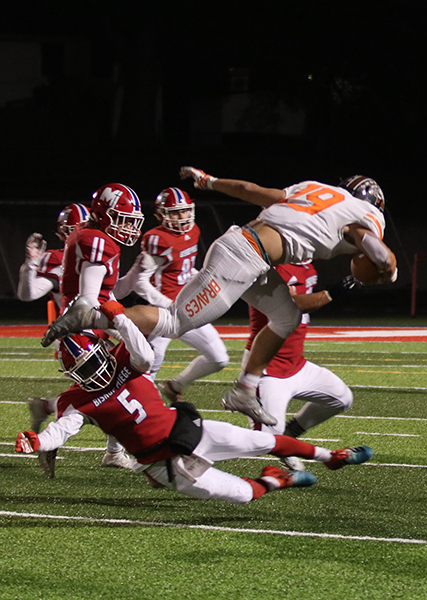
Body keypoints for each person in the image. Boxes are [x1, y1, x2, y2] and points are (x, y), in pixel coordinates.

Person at [44, 167, 397, 429]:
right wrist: (388, 269)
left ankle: (245, 389)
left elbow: (252, 190)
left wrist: (210, 182)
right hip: (242, 257)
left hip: (253, 256)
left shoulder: (317, 191)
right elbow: (373, 248)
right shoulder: (364, 217)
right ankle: (89, 316)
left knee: (286, 316)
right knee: (174, 322)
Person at [15, 299, 374, 504]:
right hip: (163, 464)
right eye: (84, 369)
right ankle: (276, 480)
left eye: (94, 360)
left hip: (187, 430)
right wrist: (38, 440)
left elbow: (142, 354)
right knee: (242, 496)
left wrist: (121, 319)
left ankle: (331, 457)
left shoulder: (126, 360)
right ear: (72, 377)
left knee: (264, 440)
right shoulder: (77, 400)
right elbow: (63, 430)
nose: (94, 371)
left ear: (104, 352)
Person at [53, 183, 145, 470]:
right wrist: (123, 324)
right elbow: (89, 301)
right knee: (113, 393)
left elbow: (106, 295)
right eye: (123, 218)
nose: (129, 227)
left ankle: (112, 452)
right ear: (104, 214)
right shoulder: (97, 241)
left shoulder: (97, 237)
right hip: (81, 335)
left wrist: (123, 326)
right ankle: (52, 435)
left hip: (86, 330)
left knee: (126, 382)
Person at [116, 187, 229, 402]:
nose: (182, 217)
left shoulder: (193, 231)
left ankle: (174, 386)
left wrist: (203, 280)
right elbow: (140, 283)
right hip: (163, 311)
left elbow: (185, 269)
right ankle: (136, 409)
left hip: (189, 307)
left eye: (185, 211)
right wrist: (168, 305)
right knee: (149, 363)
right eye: (175, 213)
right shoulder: (157, 239)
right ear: (161, 216)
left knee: (219, 358)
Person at [244, 261, 357, 471]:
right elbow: (292, 303)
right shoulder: (274, 268)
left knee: (342, 398)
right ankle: (202, 447)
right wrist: (333, 293)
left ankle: (291, 434)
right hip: (267, 368)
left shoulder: (308, 268)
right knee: (267, 442)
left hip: (296, 364)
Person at [17, 204, 90, 476]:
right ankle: (50, 437)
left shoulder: (103, 249)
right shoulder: (58, 259)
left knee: (116, 388)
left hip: (100, 332)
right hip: (76, 339)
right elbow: (29, 294)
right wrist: (31, 265)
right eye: (78, 228)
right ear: (65, 233)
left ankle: (46, 407)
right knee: (105, 394)